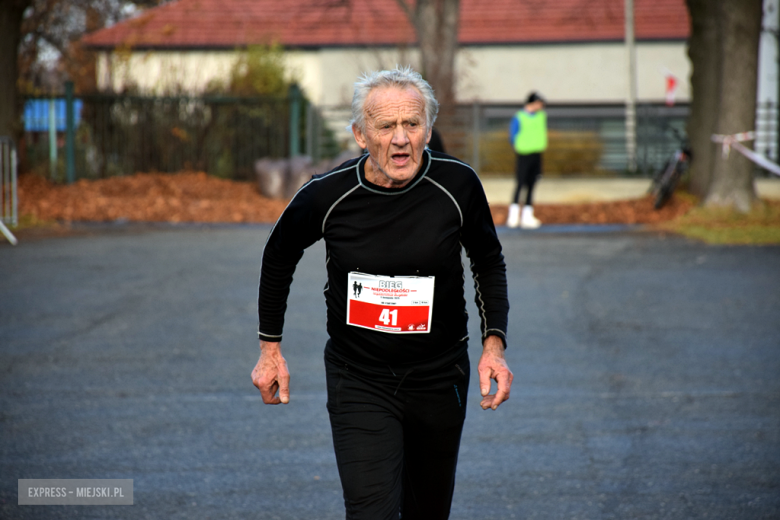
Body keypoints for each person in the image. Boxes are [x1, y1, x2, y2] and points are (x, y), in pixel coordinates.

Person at [252, 65, 512, 520]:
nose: (400, 138)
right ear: (359, 133)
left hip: (439, 375)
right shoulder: (326, 195)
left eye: (412, 124)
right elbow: (278, 256)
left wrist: (494, 347)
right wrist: (269, 349)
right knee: (370, 511)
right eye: (386, 125)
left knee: (426, 511)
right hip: (360, 377)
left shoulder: (457, 186)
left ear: (428, 131)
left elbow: (488, 261)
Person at [508, 92, 547, 229]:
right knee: (520, 183)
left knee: (532, 184)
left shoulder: (541, 116)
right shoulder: (520, 117)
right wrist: (517, 146)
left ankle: (527, 216)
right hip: (523, 154)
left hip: (537, 153)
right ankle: (513, 216)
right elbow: (513, 135)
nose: (541, 106)